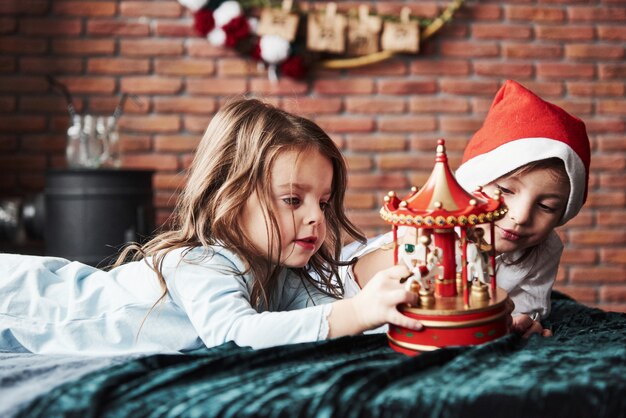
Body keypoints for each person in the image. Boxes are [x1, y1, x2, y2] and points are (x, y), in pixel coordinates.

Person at [0, 98, 422, 355]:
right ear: (231, 199)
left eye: (324, 203)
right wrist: (358, 312)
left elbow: (327, 304)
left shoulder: (278, 273)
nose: (316, 216)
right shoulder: (203, 263)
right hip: (31, 300)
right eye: (293, 199)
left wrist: (406, 262)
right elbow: (236, 334)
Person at [342, 80, 591, 339]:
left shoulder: (544, 249)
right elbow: (366, 291)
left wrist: (521, 322)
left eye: (546, 206)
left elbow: (527, 310)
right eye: (505, 191)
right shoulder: (433, 227)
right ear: (472, 182)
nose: (520, 216)